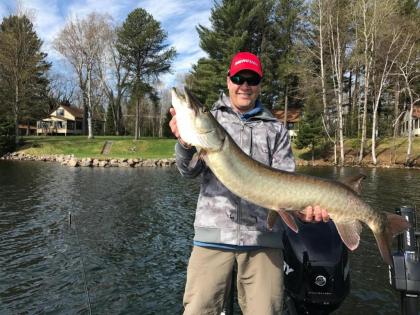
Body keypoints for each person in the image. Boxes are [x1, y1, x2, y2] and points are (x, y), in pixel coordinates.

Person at [169, 52, 329, 315]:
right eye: (239, 78)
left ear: (259, 84)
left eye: (252, 79)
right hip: (212, 237)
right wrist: (185, 144)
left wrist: (304, 209)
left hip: (262, 241)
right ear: (229, 80)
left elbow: (286, 183)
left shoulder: (276, 129)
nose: (245, 85)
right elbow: (188, 171)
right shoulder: (214, 121)